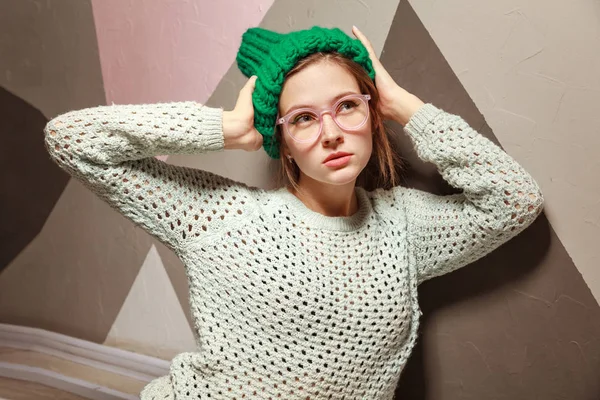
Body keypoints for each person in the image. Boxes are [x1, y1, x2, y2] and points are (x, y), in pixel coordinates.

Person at [44, 25, 544, 400]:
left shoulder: (405, 224)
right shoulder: (220, 217)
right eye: (303, 118)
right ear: (281, 139)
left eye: (347, 106)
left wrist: (406, 107)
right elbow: (71, 140)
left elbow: (514, 200)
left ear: (372, 113)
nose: (330, 132)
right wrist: (226, 128)